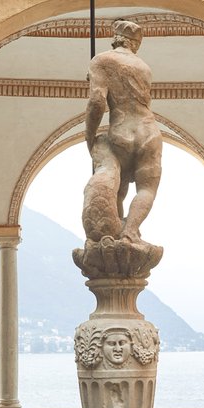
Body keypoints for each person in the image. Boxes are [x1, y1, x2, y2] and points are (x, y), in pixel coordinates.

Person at [81, 19, 162, 245]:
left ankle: (114, 230)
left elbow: (97, 102)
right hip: (150, 132)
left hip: (121, 130)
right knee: (147, 188)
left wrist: (89, 135)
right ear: (135, 44)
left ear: (115, 38)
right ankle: (130, 232)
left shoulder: (102, 60)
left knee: (117, 187)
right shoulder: (144, 67)